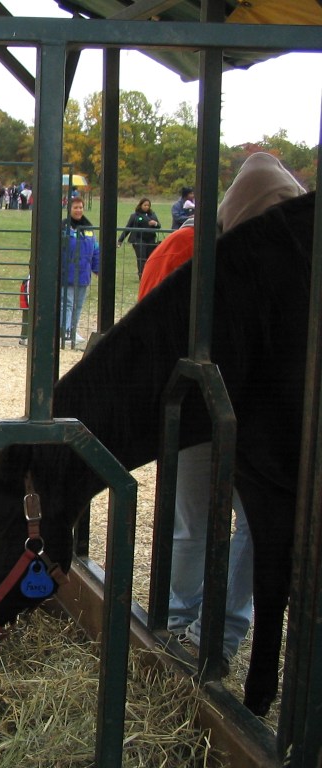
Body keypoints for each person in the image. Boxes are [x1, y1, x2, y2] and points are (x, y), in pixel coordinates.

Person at [139, 152, 306, 665]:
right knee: (201, 521)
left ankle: (216, 633)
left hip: (254, 418)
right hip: (199, 410)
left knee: (249, 526)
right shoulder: (185, 249)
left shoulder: (286, 254)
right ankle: (180, 624)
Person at [59, 197, 100, 344]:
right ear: (69, 209)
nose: (78, 210)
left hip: (83, 273)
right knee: (67, 303)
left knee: (78, 304)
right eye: (75, 207)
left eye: (80, 207)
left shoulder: (88, 228)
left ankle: (73, 330)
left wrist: (97, 268)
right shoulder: (63, 227)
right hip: (67, 272)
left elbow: (95, 249)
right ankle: (64, 331)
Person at [116, 197, 161, 278]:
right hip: (138, 239)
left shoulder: (152, 215)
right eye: (145, 205)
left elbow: (158, 226)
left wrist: (155, 223)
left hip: (150, 239)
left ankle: (149, 275)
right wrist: (120, 240)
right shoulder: (135, 216)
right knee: (141, 258)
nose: (146, 207)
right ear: (140, 205)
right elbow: (128, 228)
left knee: (150, 258)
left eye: (148, 205)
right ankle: (142, 275)